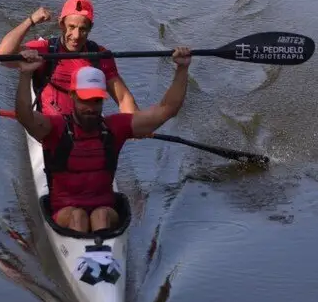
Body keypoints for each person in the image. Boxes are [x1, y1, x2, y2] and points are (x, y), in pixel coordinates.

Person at [14, 45, 192, 233]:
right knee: (78, 216)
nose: (91, 108)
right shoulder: (55, 128)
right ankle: (88, 246)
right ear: (72, 96)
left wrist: (182, 69)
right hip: (64, 211)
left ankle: (99, 246)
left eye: (96, 101)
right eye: (85, 100)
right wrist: (26, 75)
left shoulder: (115, 127)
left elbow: (167, 110)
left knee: (101, 215)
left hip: (106, 211)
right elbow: (25, 116)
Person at [0, 0, 139, 116]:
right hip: (47, 128)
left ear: (90, 28)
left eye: (83, 29)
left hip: (86, 124)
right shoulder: (45, 51)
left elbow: (123, 98)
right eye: (71, 27)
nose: (76, 36)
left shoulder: (99, 56)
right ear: (61, 24)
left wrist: (135, 124)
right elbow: (0, 56)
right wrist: (30, 21)